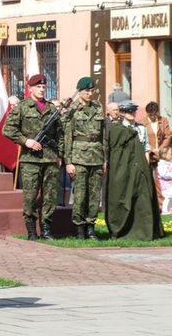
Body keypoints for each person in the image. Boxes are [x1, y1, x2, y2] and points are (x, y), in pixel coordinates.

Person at [3, 74, 63, 241]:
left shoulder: (52, 109)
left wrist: (60, 155)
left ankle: (46, 229)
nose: (42, 89)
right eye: (38, 87)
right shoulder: (22, 107)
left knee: (50, 195)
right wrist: (26, 141)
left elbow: (60, 134)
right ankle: (31, 230)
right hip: (30, 159)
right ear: (30, 88)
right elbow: (8, 129)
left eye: (44, 87)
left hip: (50, 158)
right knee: (30, 196)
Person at [104, 100, 164, 241]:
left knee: (142, 197)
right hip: (122, 168)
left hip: (140, 166)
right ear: (123, 113)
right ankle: (122, 229)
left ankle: (143, 230)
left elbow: (145, 149)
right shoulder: (115, 128)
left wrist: (146, 168)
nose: (132, 113)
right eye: (129, 111)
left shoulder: (141, 128)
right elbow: (112, 150)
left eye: (133, 111)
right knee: (122, 195)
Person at [63, 77, 106, 239]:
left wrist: (104, 159)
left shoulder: (97, 107)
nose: (89, 93)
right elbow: (68, 137)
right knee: (80, 195)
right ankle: (79, 228)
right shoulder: (73, 109)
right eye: (86, 91)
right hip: (78, 157)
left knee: (95, 194)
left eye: (91, 90)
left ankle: (91, 226)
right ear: (79, 92)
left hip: (96, 157)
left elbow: (103, 136)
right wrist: (68, 162)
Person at [141, 101, 172, 211]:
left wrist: (160, 149)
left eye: (155, 114)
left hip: (161, 154)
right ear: (147, 113)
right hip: (149, 155)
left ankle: (161, 205)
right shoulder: (142, 123)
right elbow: (142, 139)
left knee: (161, 181)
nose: (153, 117)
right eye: (151, 114)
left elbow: (167, 136)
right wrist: (151, 149)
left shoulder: (163, 121)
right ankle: (150, 205)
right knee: (150, 180)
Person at [157, 146, 172, 215]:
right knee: (167, 197)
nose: (171, 156)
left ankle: (168, 209)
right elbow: (163, 174)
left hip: (170, 184)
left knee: (169, 197)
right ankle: (164, 210)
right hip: (166, 184)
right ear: (164, 155)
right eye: (170, 154)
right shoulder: (162, 164)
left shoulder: (169, 163)